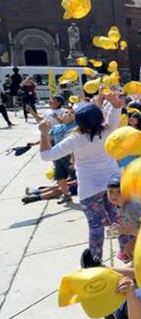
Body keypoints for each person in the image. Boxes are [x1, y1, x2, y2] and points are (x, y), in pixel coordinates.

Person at [39, 93, 127, 266]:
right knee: (120, 221)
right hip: (114, 184)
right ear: (100, 117)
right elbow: (117, 107)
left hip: (89, 189)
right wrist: (110, 99)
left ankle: (95, 263)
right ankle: (129, 255)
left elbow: (46, 156)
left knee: (96, 227)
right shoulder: (109, 130)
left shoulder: (75, 139)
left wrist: (43, 134)